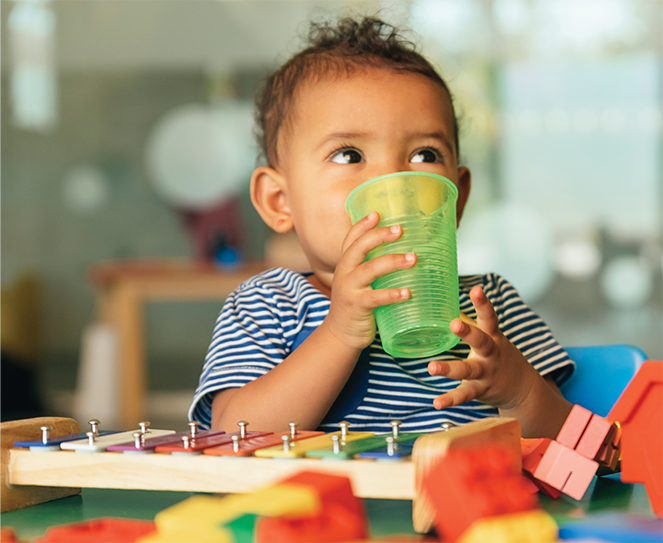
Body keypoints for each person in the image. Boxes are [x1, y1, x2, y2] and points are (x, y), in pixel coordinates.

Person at [189, 16, 574, 439]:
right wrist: (338, 333)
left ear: (456, 196)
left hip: (476, 502)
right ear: (279, 201)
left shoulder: (490, 304)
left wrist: (518, 391)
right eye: (349, 155)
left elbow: (578, 445)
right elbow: (230, 435)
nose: (393, 184)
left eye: (425, 155)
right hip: (324, 503)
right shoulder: (268, 306)